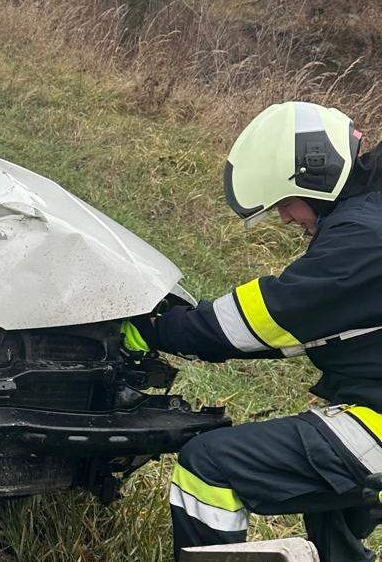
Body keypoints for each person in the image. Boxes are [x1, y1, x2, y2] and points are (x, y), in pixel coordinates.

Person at [124, 101, 382, 561]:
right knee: (326, 474)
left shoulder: (361, 243)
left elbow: (260, 321)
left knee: (209, 468)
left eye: (286, 202)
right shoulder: (371, 211)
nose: (285, 218)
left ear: (316, 178)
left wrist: (157, 329)